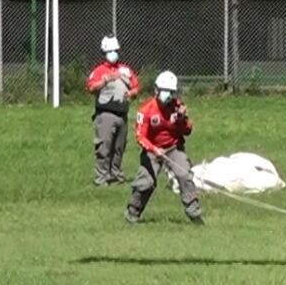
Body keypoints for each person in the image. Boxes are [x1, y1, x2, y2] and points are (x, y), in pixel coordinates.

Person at [125, 70, 204, 225]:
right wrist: (154, 149)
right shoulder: (146, 110)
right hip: (152, 150)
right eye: (165, 91)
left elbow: (187, 131)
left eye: (171, 92)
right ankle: (133, 211)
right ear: (156, 90)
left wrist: (182, 120)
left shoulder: (177, 107)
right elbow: (140, 136)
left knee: (184, 174)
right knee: (146, 182)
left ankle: (192, 209)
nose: (168, 95)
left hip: (174, 147)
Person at [86, 35, 139, 186]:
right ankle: (101, 177)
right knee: (104, 147)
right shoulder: (99, 71)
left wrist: (131, 94)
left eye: (115, 50)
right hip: (105, 114)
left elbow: (136, 86)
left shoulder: (125, 70)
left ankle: (116, 175)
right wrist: (105, 80)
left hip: (122, 114)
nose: (113, 53)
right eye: (110, 51)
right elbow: (90, 87)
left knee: (119, 148)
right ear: (104, 52)